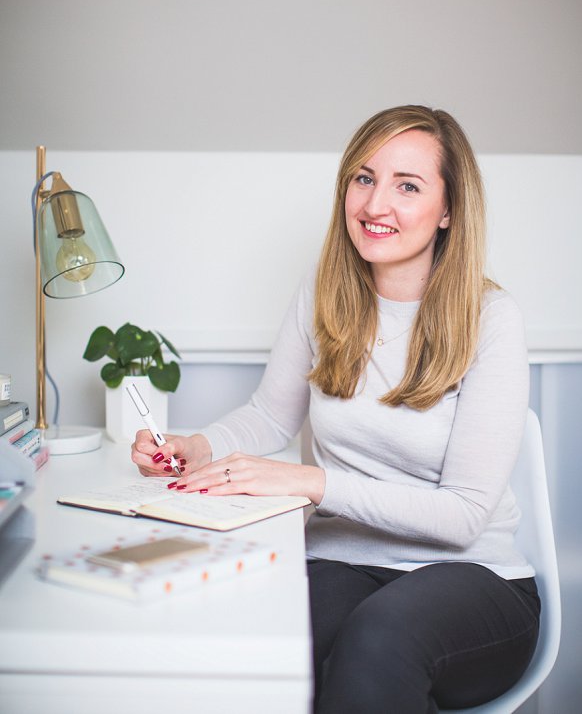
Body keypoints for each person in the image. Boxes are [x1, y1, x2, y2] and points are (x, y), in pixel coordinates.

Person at [132, 105, 540, 713]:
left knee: (378, 641)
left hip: (472, 577)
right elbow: (271, 415)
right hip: (340, 559)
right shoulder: (324, 290)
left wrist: (312, 483)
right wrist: (195, 447)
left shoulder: (492, 319)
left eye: (408, 186)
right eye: (364, 178)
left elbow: (462, 516)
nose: (376, 204)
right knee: (265, 646)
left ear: (449, 210)